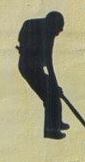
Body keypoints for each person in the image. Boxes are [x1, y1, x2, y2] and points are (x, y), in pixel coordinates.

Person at [17, 11, 68, 139]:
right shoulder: (44, 33)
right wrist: (54, 85)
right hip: (28, 68)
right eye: (58, 30)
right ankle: (50, 130)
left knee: (54, 93)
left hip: (35, 67)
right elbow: (49, 64)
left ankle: (56, 123)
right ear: (52, 25)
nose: (58, 33)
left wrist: (54, 85)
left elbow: (48, 63)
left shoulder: (44, 29)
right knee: (50, 96)